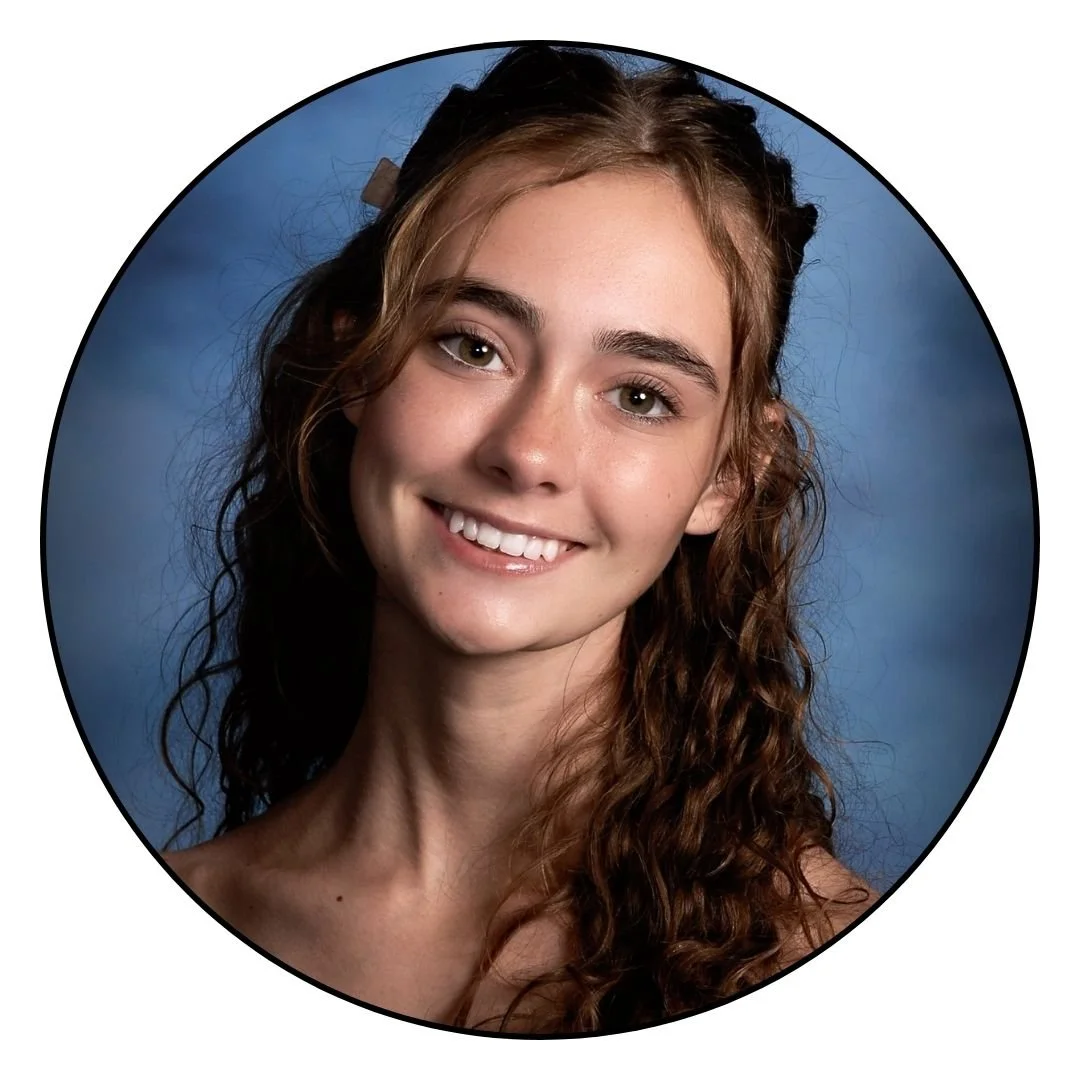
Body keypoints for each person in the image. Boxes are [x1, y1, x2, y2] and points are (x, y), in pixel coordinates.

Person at [162, 44, 878, 1034]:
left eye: (640, 396)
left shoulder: (843, 974)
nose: (529, 453)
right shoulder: (144, 935)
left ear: (728, 475)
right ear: (355, 359)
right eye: (473, 346)